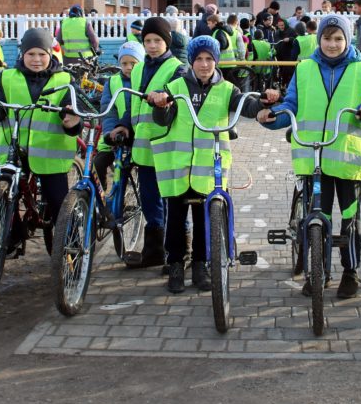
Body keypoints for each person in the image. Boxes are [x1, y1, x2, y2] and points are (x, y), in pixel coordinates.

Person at [257, 14, 361, 299]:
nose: (332, 44)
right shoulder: (305, 69)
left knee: (350, 217)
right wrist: (269, 117)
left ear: (348, 40)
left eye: (338, 39)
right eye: (327, 38)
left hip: (348, 158)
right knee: (317, 216)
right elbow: (291, 105)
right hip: (313, 158)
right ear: (319, 39)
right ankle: (320, 270)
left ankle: (351, 271)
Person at [147, 36, 275, 293]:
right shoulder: (176, 86)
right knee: (175, 218)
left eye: (209, 59)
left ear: (216, 61)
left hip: (209, 167)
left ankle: (200, 265)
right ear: (191, 61)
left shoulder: (227, 89)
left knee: (206, 218)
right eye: (199, 59)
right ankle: (174, 264)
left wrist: (261, 104)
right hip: (179, 166)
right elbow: (163, 119)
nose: (204, 65)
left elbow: (244, 104)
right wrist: (159, 104)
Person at [0, 28, 81, 258]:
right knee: (1, 197)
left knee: (59, 206)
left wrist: (71, 120)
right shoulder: (6, 78)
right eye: (31, 54)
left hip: (50, 156)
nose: (36, 60)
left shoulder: (64, 80)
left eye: (42, 54)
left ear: (50, 54)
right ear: (22, 55)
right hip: (14, 154)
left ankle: (74, 249)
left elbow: (74, 115)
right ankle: (14, 236)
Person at [119, 16, 188, 269]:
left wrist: (165, 99)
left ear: (167, 42)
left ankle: (178, 253)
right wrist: (124, 124)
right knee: (149, 200)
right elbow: (133, 104)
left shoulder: (178, 68)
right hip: (143, 146)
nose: (152, 45)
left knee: (172, 199)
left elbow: (181, 105)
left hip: (168, 146)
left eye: (157, 40)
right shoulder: (137, 68)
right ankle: (155, 251)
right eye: (147, 40)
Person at [93, 41, 144, 190]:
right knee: (98, 164)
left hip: (138, 137)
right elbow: (109, 110)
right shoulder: (113, 82)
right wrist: (109, 133)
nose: (128, 67)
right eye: (124, 63)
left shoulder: (144, 81)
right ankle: (100, 203)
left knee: (128, 171)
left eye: (133, 63)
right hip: (117, 133)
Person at [57, 4, 99, 69]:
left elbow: (58, 40)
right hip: (84, 59)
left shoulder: (64, 23)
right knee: (84, 77)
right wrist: (95, 49)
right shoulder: (85, 22)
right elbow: (94, 41)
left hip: (68, 58)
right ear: (81, 13)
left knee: (70, 77)